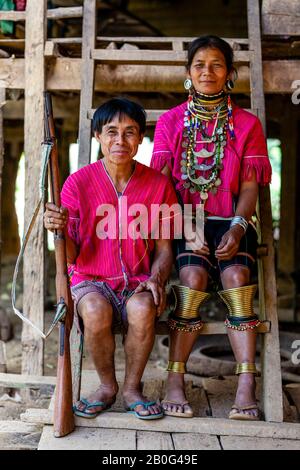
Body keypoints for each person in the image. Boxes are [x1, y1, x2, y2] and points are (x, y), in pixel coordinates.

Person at [151, 35, 272, 420]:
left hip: (231, 220)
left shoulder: (247, 124)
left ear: (230, 73)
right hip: (186, 221)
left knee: (237, 278)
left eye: (217, 64)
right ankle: (175, 380)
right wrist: (186, 225)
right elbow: (161, 183)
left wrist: (237, 228)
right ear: (188, 74)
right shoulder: (171, 122)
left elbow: (250, 184)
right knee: (191, 280)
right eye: (199, 64)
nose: (208, 71)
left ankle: (246, 383)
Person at [44, 98, 180, 420]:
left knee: (144, 307)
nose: (120, 140)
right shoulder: (77, 184)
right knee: (93, 311)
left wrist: (156, 279)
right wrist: (59, 232)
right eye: (111, 132)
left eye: (130, 132)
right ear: (97, 137)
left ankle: (133, 388)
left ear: (140, 139)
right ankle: (107, 386)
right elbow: (72, 256)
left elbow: (164, 249)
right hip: (92, 280)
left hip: (137, 281)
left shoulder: (159, 185)